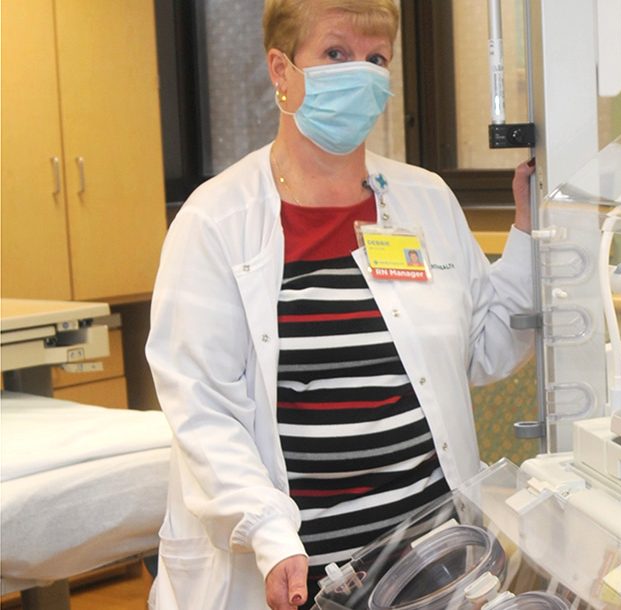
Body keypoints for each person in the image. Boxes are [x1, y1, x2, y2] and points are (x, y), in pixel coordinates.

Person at [144, 1, 535, 608]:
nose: (362, 74)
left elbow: (486, 349)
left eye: (376, 58)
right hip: (293, 570)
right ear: (281, 70)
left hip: (430, 562)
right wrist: (269, 534)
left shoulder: (424, 199)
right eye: (335, 54)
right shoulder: (216, 220)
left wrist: (530, 235)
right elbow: (201, 407)